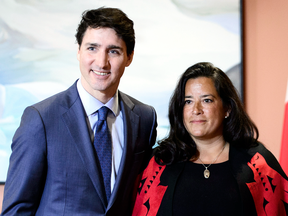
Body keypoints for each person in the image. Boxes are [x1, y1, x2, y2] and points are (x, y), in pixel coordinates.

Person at [1, 7, 157, 216]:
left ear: (129, 57)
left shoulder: (145, 118)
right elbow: (16, 210)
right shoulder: (41, 119)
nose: (101, 62)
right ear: (78, 51)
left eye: (113, 51)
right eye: (92, 48)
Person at [132, 62, 288, 216]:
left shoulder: (257, 163)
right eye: (188, 101)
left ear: (227, 108)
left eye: (207, 100)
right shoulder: (159, 162)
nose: (196, 110)